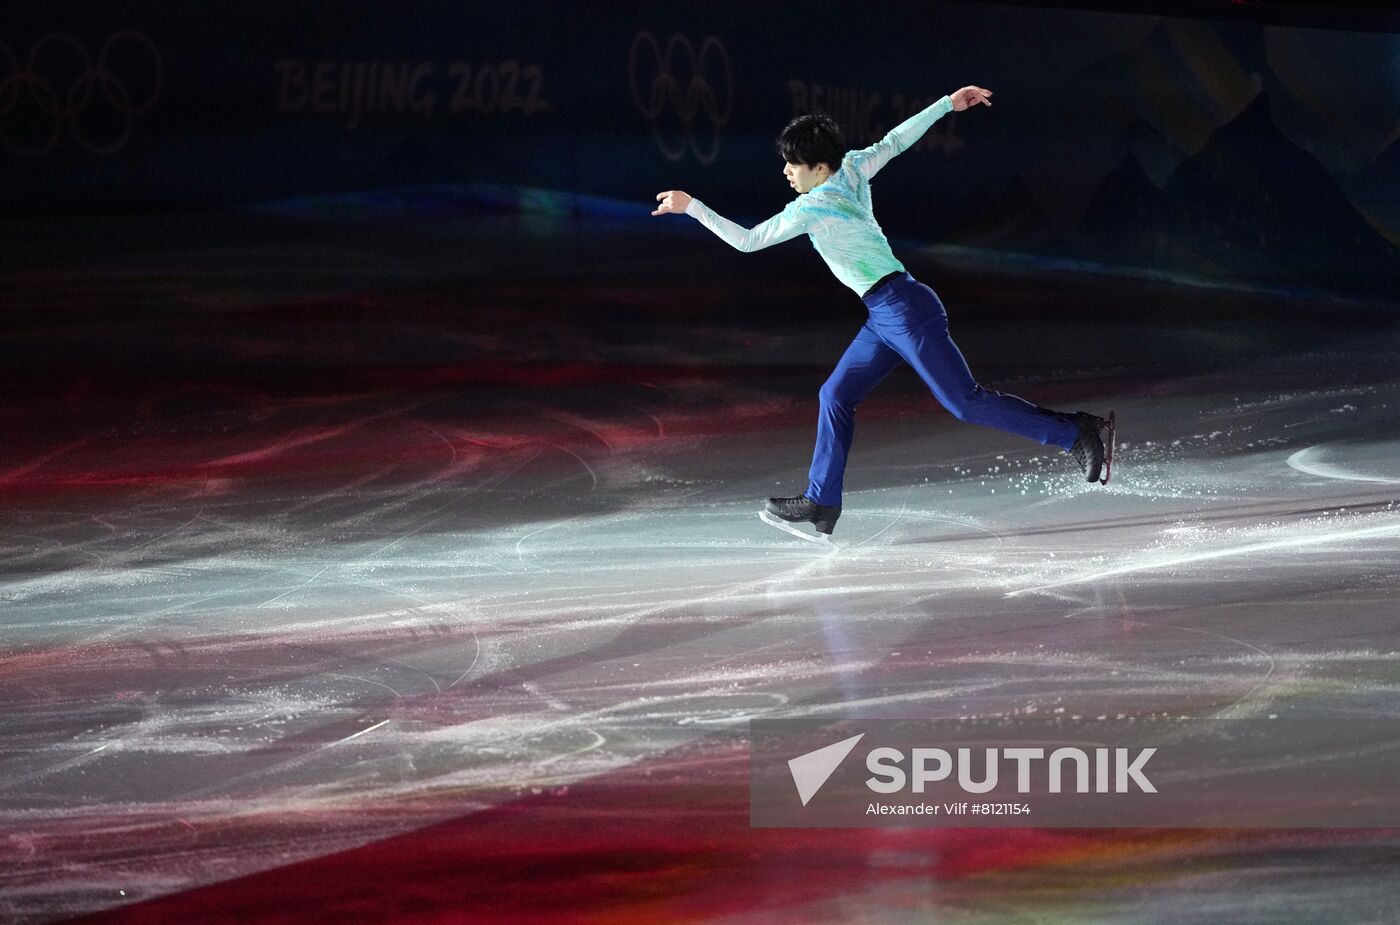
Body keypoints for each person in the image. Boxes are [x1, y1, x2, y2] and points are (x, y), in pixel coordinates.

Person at [652, 86, 1110, 537]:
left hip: (903, 311)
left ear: (818, 166)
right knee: (835, 396)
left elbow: (748, 241)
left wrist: (693, 207)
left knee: (964, 402)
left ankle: (1076, 433)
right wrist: (948, 103)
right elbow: (894, 141)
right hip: (887, 312)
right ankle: (822, 501)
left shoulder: (811, 208)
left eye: (794, 164)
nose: (787, 172)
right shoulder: (852, 168)